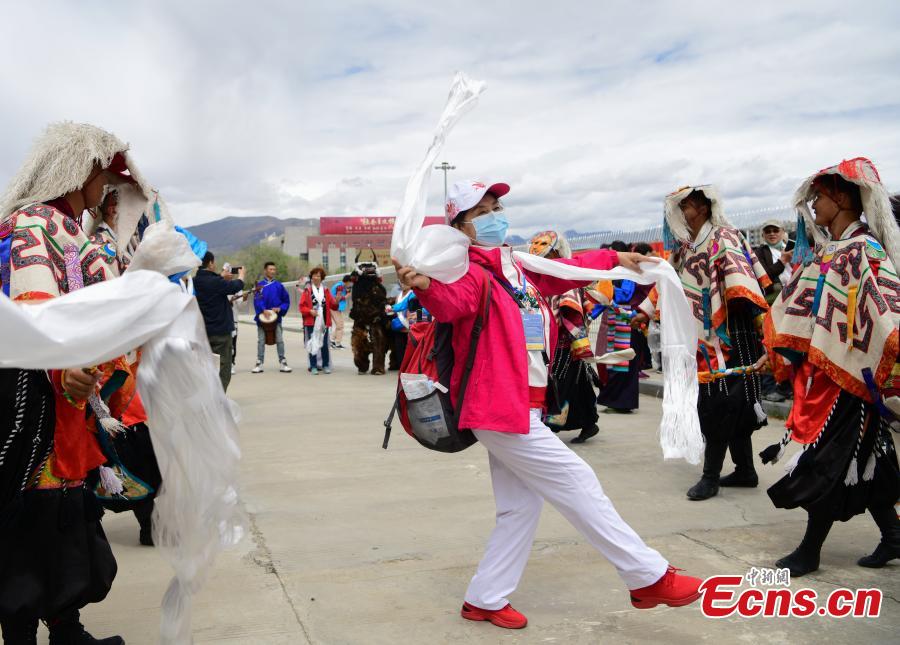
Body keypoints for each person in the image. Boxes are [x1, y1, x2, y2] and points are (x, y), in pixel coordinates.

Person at [394, 179, 702, 630]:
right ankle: (647, 576)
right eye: (483, 210)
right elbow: (450, 303)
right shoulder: (466, 271)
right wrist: (424, 285)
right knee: (576, 478)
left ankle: (484, 598)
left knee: (520, 509)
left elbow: (566, 269)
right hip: (498, 408)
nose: (497, 214)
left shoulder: (515, 266)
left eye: (497, 206)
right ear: (460, 225)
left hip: (527, 404)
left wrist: (616, 259)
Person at [0, 122, 138, 645]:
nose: (105, 187)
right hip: (33, 397)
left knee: (59, 511)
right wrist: (65, 368)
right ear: (77, 170)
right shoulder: (31, 223)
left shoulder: (70, 228)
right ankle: (23, 635)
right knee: (27, 517)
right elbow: (33, 308)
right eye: (100, 174)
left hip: (67, 395)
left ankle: (65, 627)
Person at [761, 158, 900, 575]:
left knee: (829, 460)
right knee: (865, 461)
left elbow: (888, 313)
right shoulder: (833, 251)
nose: (814, 205)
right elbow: (801, 309)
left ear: (841, 196)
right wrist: (779, 345)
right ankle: (894, 535)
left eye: (819, 196)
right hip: (826, 373)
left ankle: (810, 550)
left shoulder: (864, 250)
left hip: (853, 379)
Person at [635, 185, 771, 501]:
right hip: (701, 338)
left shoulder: (723, 237)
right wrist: (645, 312)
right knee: (723, 406)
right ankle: (745, 471)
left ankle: (710, 477)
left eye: (686, 205)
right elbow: (669, 282)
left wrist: (725, 321)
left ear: (703, 207)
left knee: (721, 406)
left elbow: (743, 286)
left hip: (730, 336)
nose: (680, 212)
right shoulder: (686, 246)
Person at [527, 230, 601, 443]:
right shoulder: (543, 276)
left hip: (563, 343)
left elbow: (571, 310)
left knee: (558, 384)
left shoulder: (564, 275)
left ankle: (550, 426)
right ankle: (588, 422)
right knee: (578, 386)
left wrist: (576, 342)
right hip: (549, 342)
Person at [753, 221, 795, 402]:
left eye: (775, 230)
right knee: (769, 344)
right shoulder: (759, 254)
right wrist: (782, 261)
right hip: (771, 305)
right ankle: (769, 387)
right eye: (768, 231)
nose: (772, 234)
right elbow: (764, 277)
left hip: (792, 304)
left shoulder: (792, 248)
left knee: (789, 345)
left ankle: (786, 385)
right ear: (763, 235)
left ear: (782, 232)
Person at [194, 252, 245, 391]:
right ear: (210, 263)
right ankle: (218, 400)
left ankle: (206, 397)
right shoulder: (216, 282)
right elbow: (236, 286)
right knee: (223, 368)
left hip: (201, 332)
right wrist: (241, 275)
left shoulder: (194, 281)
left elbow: (213, 283)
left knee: (204, 368)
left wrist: (220, 276)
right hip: (220, 332)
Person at [252, 261, 292, 373]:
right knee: (261, 341)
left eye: (274, 269)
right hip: (262, 318)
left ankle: (283, 362)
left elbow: (286, 301)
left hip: (276, 318)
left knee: (279, 340)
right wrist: (263, 309)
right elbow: (257, 300)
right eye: (270, 269)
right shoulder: (259, 285)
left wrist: (280, 308)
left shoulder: (279, 285)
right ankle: (259, 362)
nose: (273, 271)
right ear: (265, 270)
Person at [350, 261, 388, 375]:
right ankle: (362, 365)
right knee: (359, 344)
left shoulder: (378, 287)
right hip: (360, 319)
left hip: (375, 319)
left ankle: (378, 367)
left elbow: (382, 301)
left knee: (379, 342)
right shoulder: (357, 286)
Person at [299, 266, 338, 374]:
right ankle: (313, 366)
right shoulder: (307, 290)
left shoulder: (326, 290)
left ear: (322, 278)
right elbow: (301, 307)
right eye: (315, 275)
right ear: (311, 277)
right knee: (313, 343)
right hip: (311, 322)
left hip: (324, 322)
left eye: (319, 275)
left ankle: (325, 365)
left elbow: (333, 306)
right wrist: (310, 311)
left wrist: (337, 300)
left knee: (324, 344)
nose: (316, 277)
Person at [330, 274, 352, 349]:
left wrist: (347, 291)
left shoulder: (340, 285)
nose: (351, 284)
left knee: (339, 325)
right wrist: (347, 295)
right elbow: (337, 298)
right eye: (350, 282)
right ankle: (337, 343)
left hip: (336, 308)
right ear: (347, 281)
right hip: (334, 308)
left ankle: (332, 341)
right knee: (340, 325)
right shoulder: (340, 287)